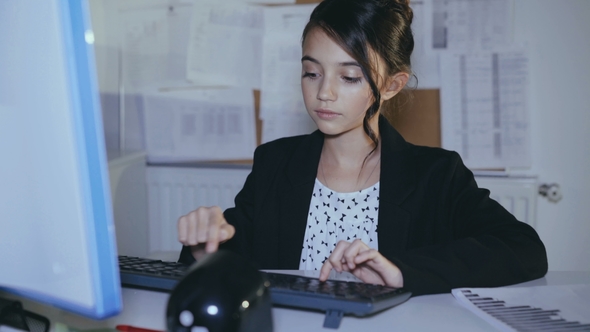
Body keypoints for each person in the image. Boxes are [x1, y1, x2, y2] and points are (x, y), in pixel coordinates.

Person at [177, 0, 548, 296]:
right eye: (312, 72)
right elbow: (233, 260)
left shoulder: (436, 175)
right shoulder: (275, 162)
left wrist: (401, 271)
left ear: (392, 85)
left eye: (350, 76)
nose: (325, 92)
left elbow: (525, 249)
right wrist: (203, 245)